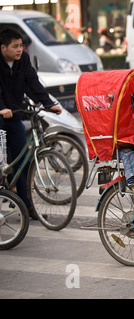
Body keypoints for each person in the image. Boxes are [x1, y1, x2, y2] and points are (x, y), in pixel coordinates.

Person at [0, 27, 62, 219]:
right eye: (15, 46)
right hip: (1, 115)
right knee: (1, 162)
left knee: (24, 159)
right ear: (3, 48)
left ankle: (26, 205)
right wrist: (1, 107)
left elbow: (33, 83)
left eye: (21, 46)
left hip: (15, 115)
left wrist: (49, 104)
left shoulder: (23, 60)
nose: (20, 50)